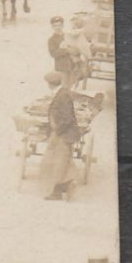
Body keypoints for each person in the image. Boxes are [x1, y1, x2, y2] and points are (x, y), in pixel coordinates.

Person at [38, 70, 81, 200]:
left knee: (57, 163)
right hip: (62, 133)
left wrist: (57, 132)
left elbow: (67, 118)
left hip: (64, 134)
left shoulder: (63, 95)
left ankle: (61, 189)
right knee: (59, 162)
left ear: (50, 84)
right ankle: (64, 186)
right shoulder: (62, 93)